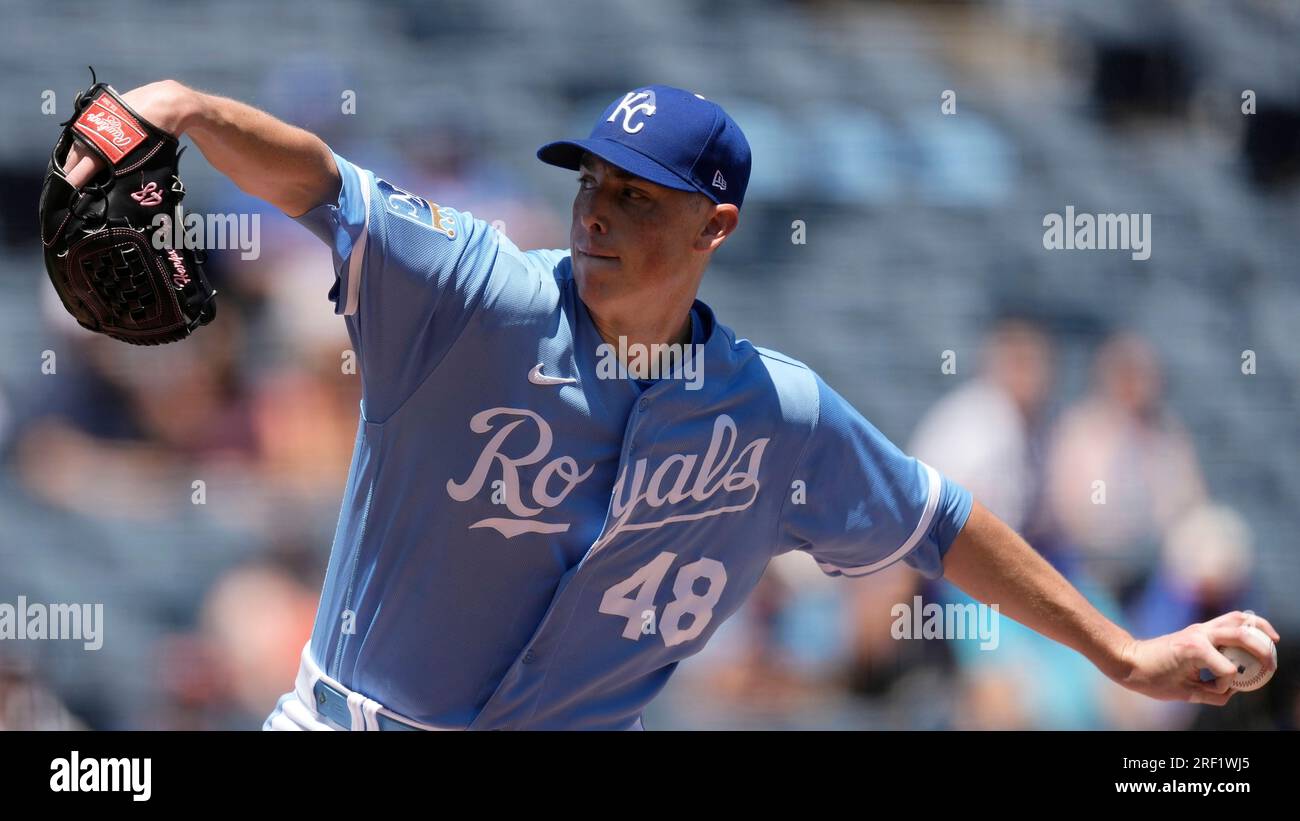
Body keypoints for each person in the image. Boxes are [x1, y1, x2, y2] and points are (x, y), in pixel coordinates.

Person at [61, 82, 1280, 730]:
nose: (597, 209)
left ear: (716, 225)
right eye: (591, 182)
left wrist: (1123, 650)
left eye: (637, 196)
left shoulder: (774, 416)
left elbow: (940, 523)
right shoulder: (468, 292)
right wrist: (187, 106)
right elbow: (323, 183)